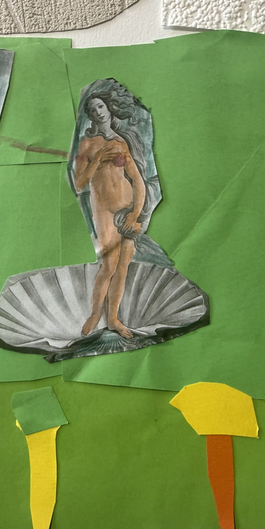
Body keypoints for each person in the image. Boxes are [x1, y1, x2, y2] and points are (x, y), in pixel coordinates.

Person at [71, 82, 165, 338]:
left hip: (127, 211)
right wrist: (98, 160)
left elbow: (137, 180)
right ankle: (95, 314)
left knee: (124, 265)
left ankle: (113, 319)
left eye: (101, 106)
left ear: (108, 109)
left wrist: (136, 214)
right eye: (93, 109)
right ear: (90, 116)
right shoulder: (87, 144)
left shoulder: (122, 141)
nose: (98, 112)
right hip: (104, 211)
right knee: (109, 265)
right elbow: (79, 184)